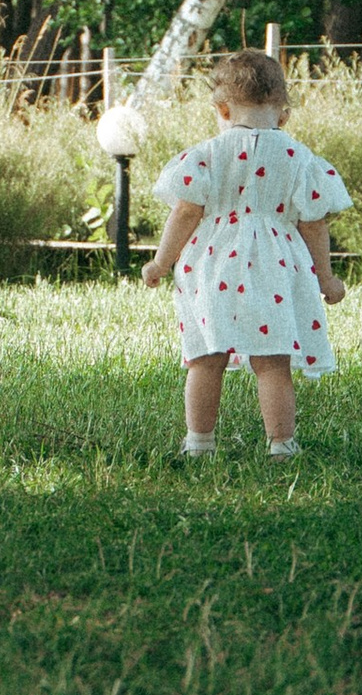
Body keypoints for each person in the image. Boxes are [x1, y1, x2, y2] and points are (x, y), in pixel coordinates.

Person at [141, 47, 350, 461]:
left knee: (205, 358)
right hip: (275, 268)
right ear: (284, 114)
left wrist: (161, 262)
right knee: (273, 362)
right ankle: (281, 445)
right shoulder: (298, 159)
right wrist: (325, 278)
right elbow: (313, 223)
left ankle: (199, 444)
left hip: (212, 265)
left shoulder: (205, 156)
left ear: (221, 110)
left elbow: (186, 211)